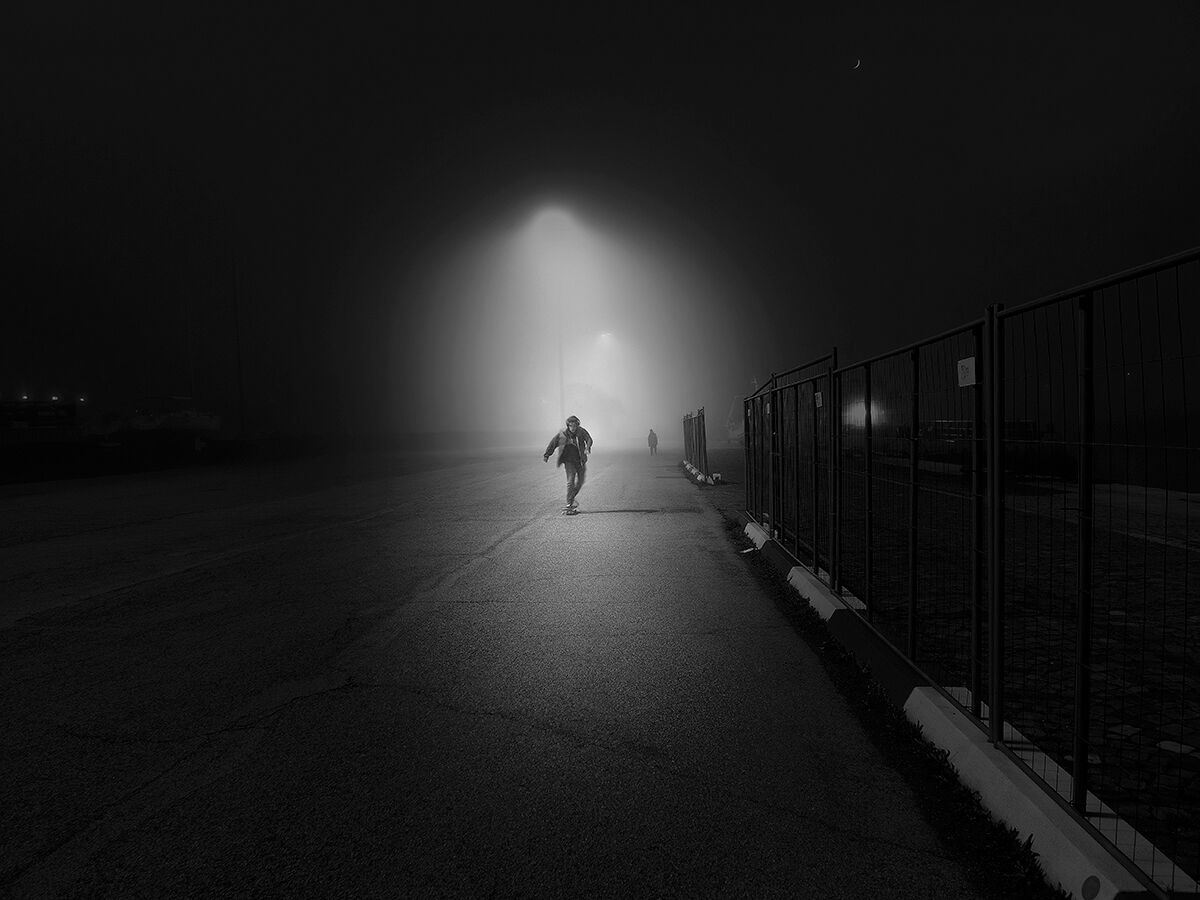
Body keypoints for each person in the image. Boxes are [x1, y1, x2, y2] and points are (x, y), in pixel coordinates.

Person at [543, 415, 594, 512]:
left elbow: (589, 439)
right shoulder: (563, 434)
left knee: (580, 481)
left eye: (575, 426)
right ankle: (569, 503)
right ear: (568, 426)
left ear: (577, 425)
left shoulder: (581, 432)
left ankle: (571, 497)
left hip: (580, 460)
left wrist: (587, 447)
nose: (573, 428)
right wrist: (547, 454)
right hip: (568, 461)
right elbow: (553, 443)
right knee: (570, 481)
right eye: (571, 426)